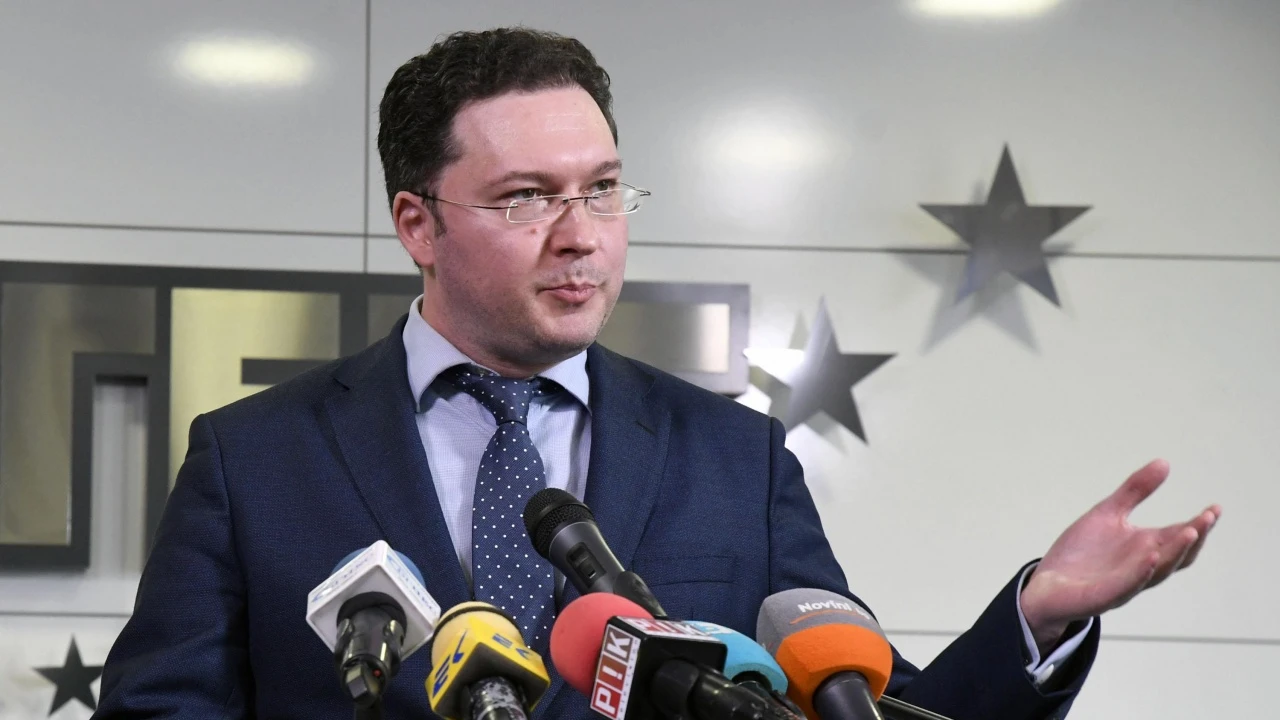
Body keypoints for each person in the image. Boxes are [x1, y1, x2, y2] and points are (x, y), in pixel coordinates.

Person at [94, 27, 1220, 720]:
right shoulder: (255, 458)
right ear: (417, 223)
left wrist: (1035, 617)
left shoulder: (735, 459)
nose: (581, 234)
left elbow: (862, 709)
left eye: (601, 189)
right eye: (526, 198)